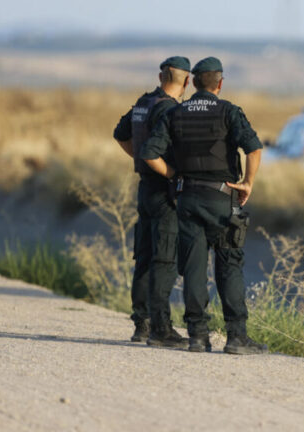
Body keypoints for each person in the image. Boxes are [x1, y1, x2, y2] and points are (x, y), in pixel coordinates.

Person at [141, 57, 268, 355]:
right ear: (220, 84)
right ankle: (236, 337)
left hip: (187, 199)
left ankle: (198, 336)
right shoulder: (229, 112)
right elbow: (254, 148)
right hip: (222, 199)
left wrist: (174, 175)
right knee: (229, 266)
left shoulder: (175, 112)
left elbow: (149, 154)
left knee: (194, 268)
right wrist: (247, 183)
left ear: (193, 83)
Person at [113, 56, 190, 348]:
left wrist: (142, 158)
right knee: (164, 259)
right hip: (163, 191)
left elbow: (120, 135)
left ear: (161, 77)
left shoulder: (143, 103)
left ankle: (141, 324)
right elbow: (150, 152)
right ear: (187, 81)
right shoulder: (170, 110)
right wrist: (169, 171)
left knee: (144, 257)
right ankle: (161, 328)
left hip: (144, 188)